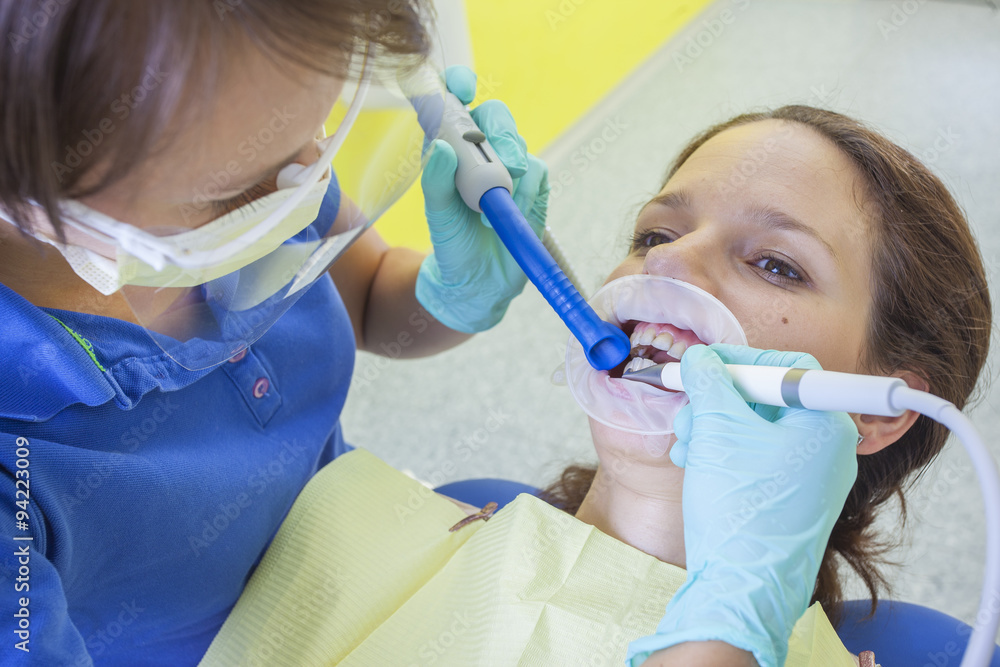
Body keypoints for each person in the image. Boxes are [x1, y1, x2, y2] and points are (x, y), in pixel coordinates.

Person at [195, 105, 992, 666]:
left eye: (776, 264)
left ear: (874, 411)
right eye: (656, 233)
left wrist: (732, 619)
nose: (668, 263)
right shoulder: (391, 527)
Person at [0, 2, 547, 664]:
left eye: (315, 129)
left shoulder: (257, 155)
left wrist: (450, 296)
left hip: (356, 554)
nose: (302, 182)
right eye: (230, 194)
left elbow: (369, 295)